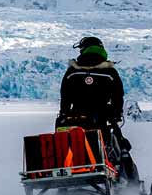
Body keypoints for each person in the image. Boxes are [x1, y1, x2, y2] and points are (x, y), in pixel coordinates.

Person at [57, 36, 140, 183]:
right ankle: (133, 184)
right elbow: (118, 95)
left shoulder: (72, 71)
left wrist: (64, 113)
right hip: (102, 119)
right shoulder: (109, 72)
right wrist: (116, 113)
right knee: (122, 146)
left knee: (69, 142)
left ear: (83, 50)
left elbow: (65, 96)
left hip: (75, 119)